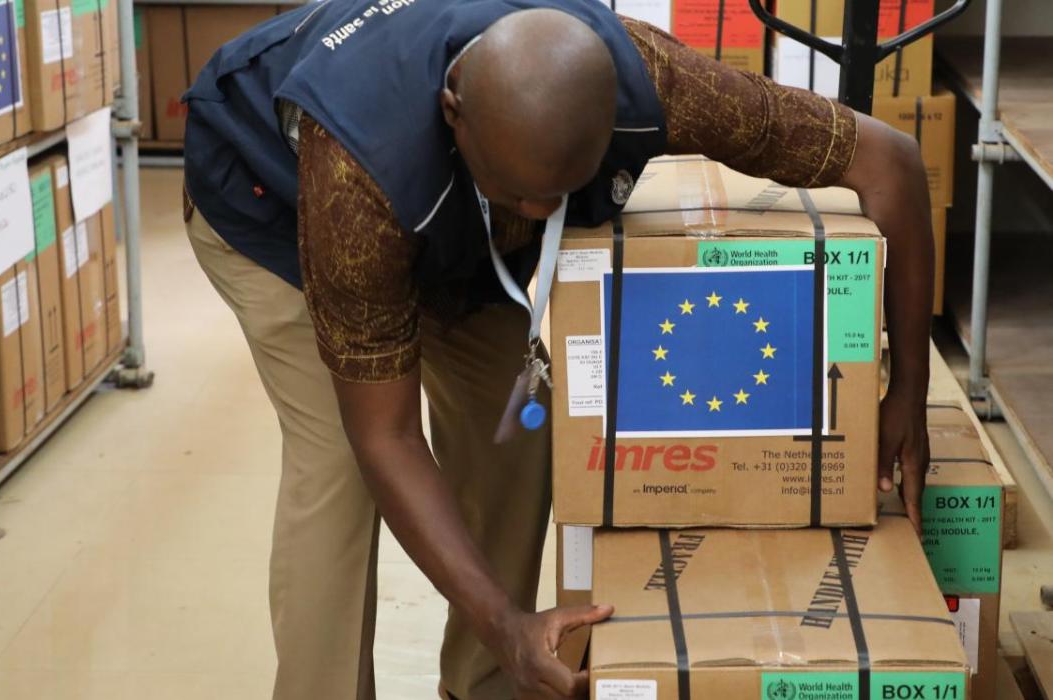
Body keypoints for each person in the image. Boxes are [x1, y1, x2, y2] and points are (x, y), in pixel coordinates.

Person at [182, 1, 933, 698]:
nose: (540, 212)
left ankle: (487, 682)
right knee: (343, 467)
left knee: (513, 436)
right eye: (518, 195)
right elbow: (386, 435)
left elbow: (890, 162)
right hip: (270, 210)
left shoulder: (653, 78)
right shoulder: (359, 179)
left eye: (562, 192)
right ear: (456, 115)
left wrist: (906, 396)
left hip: (459, 237)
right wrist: (504, 620)